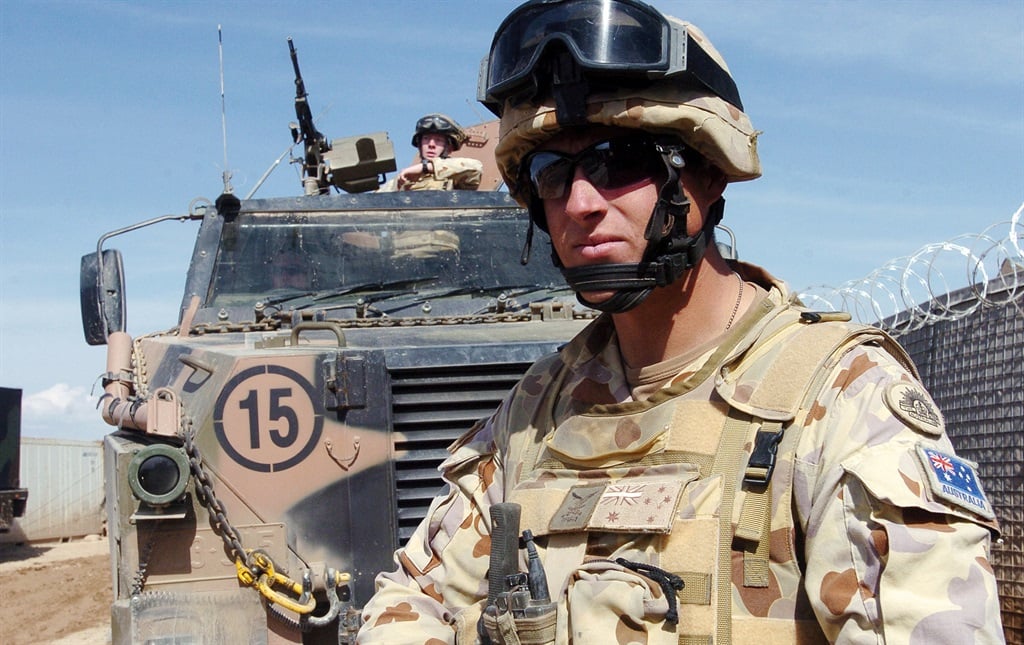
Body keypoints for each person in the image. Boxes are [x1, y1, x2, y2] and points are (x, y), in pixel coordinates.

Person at [357, 1, 1005, 643]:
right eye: (552, 173)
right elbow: (412, 596)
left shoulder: (836, 401)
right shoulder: (536, 413)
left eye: (617, 161)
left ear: (709, 169)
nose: (581, 203)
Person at [380, 113, 483, 191]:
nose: (431, 144)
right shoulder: (402, 180)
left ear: (449, 147)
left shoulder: (455, 175)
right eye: (426, 139)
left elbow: (476, 168)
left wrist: (425, 168)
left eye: (438, 140)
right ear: (419, 144)